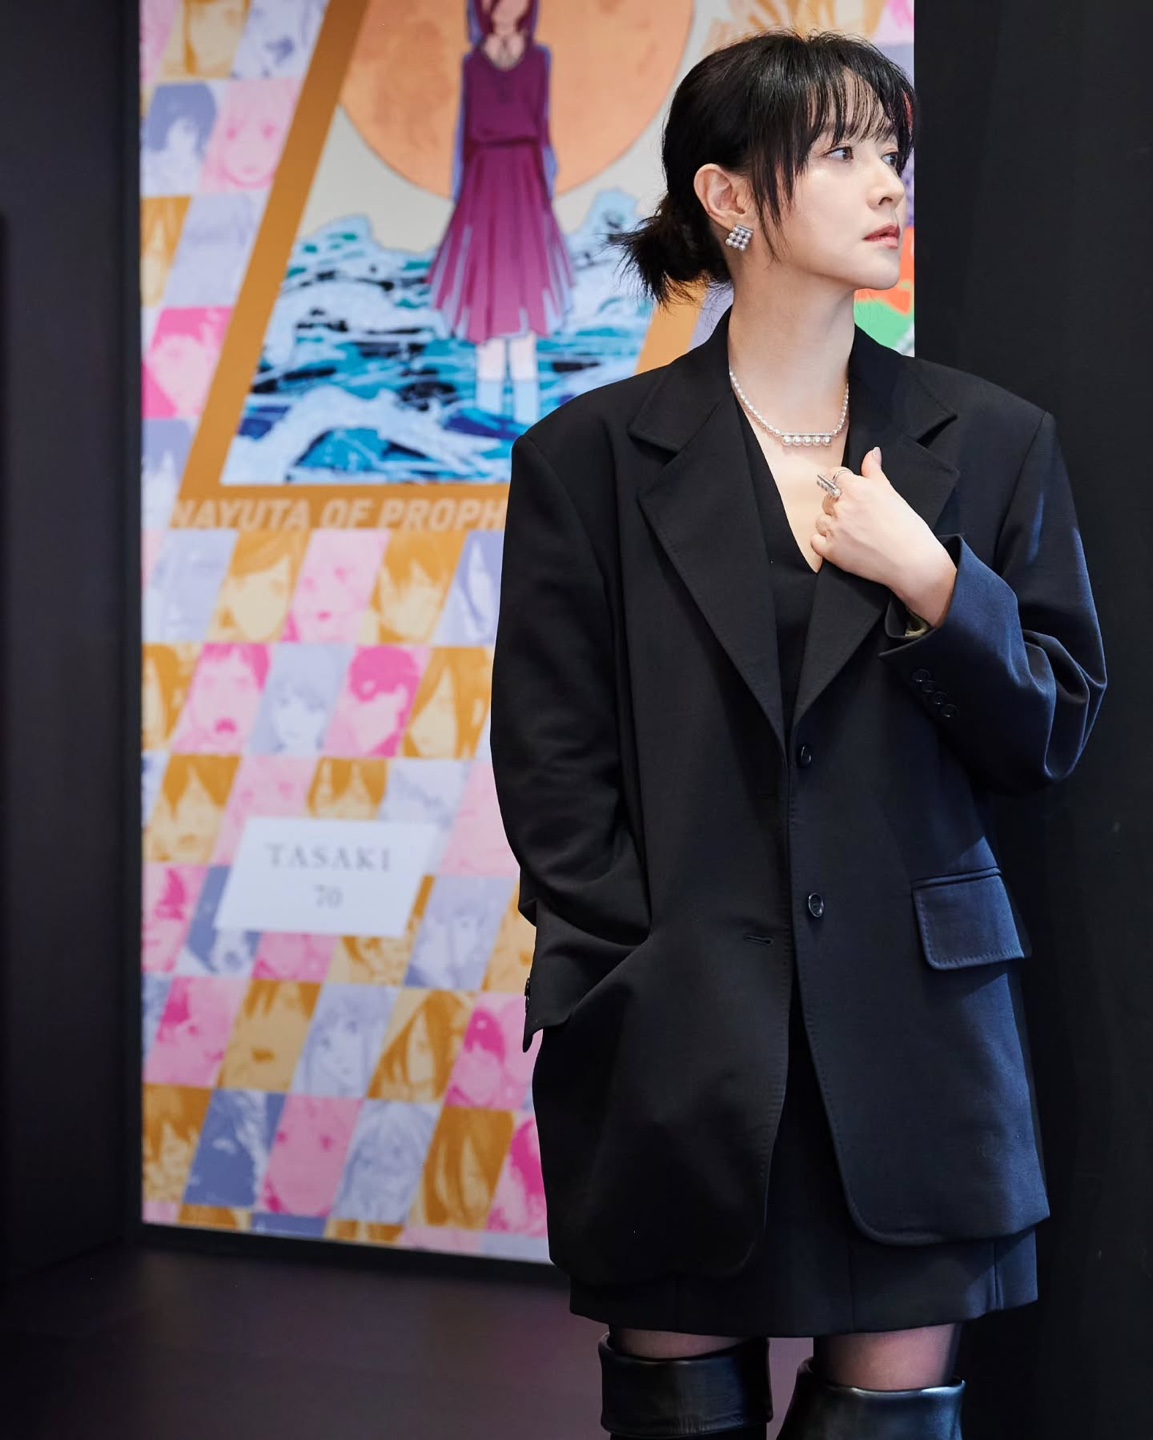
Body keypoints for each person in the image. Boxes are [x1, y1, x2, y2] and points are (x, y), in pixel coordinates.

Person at [489, 29, 1106, 1440]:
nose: (887, 183)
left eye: (892, 152)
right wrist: (627, 969)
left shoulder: (991, 440)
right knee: (673, 1411)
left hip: (916, 1038)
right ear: (727, 195)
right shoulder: (588, 457)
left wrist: (937, 585)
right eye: (840, 153)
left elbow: (1050, 735)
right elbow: (552, 762)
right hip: (678, 1036)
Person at [428, 0, 574, 426]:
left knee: (526, 296)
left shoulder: (539, 59)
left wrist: (544, 186)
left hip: (525, 182)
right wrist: (463, 196)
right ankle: (486, 421)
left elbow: (542, 126)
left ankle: (529, 425)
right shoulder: (473, 63)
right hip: (484, 182)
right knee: (486, 300)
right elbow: (465, 132)